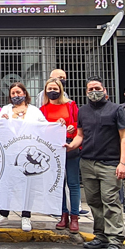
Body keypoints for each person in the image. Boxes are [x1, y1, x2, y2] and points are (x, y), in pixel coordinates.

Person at [76, 76, 125, 249]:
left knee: (111, 201)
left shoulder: (116, 110)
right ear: (86, 92)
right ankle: (101, 236)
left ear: (105, 90)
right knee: (94, 202)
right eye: (90, 89)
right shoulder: (82, 111)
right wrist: (68, 145)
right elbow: (80, 135)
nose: (93, 92)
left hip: (110, 164)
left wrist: (123, 162)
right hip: (88, 163)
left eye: (97, 88)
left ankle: (115, 241)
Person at [0, 82, 47, 231]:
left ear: (25, 94)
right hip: (10, 154)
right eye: (13, 93)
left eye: (18, 92)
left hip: (29, 155)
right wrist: (4, 121)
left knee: (28, 186)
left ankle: (26, 217)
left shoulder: (34, 111)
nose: (16, 95)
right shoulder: (6, 110)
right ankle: (3, 215)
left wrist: (58, 125)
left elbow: (45, 128)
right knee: (7, 185)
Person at [39, 77, 81, 232]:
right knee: (59, 184)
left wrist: (71, 127)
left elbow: (79, 125)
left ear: (61, 90)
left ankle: (74, 217)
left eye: (55, 89)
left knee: (73, 183)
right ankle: (63, 215)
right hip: (52, 150)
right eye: (49, 89)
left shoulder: (70, 105)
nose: (52, 91)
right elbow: (40, 130)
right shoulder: (43, 109)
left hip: (70, 147)